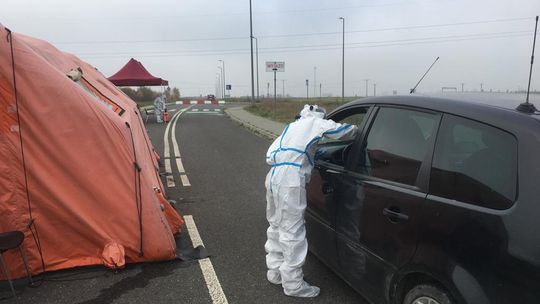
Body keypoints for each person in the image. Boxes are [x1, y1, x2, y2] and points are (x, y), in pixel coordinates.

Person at [264, 104, 358, 297]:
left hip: (273, 175)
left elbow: (270, 154)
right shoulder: (316, 123)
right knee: (292, 229)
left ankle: (275, 271)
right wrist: (358, 129)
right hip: (290, 178)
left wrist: (312, 153)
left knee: (276, 225)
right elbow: (346, 132)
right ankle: (293, 285)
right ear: (319, 115)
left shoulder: (290, 127)